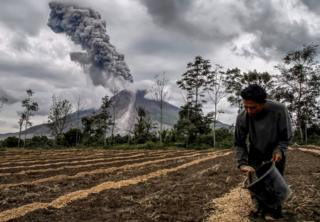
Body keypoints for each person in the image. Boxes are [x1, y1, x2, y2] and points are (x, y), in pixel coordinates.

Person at [234, 84, 292, 219]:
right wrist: (242, 163)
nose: (248, 110)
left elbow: (285, 137)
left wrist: (279, 150)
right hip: (255, 153)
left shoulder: (279, 110)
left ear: (263, 103)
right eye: (245, 106)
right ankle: (259, 209)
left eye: (253, 107)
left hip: (275, 153)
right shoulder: (242, 116)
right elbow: (239, 143)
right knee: (257, 185)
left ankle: (275, 210)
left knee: (274, 183)